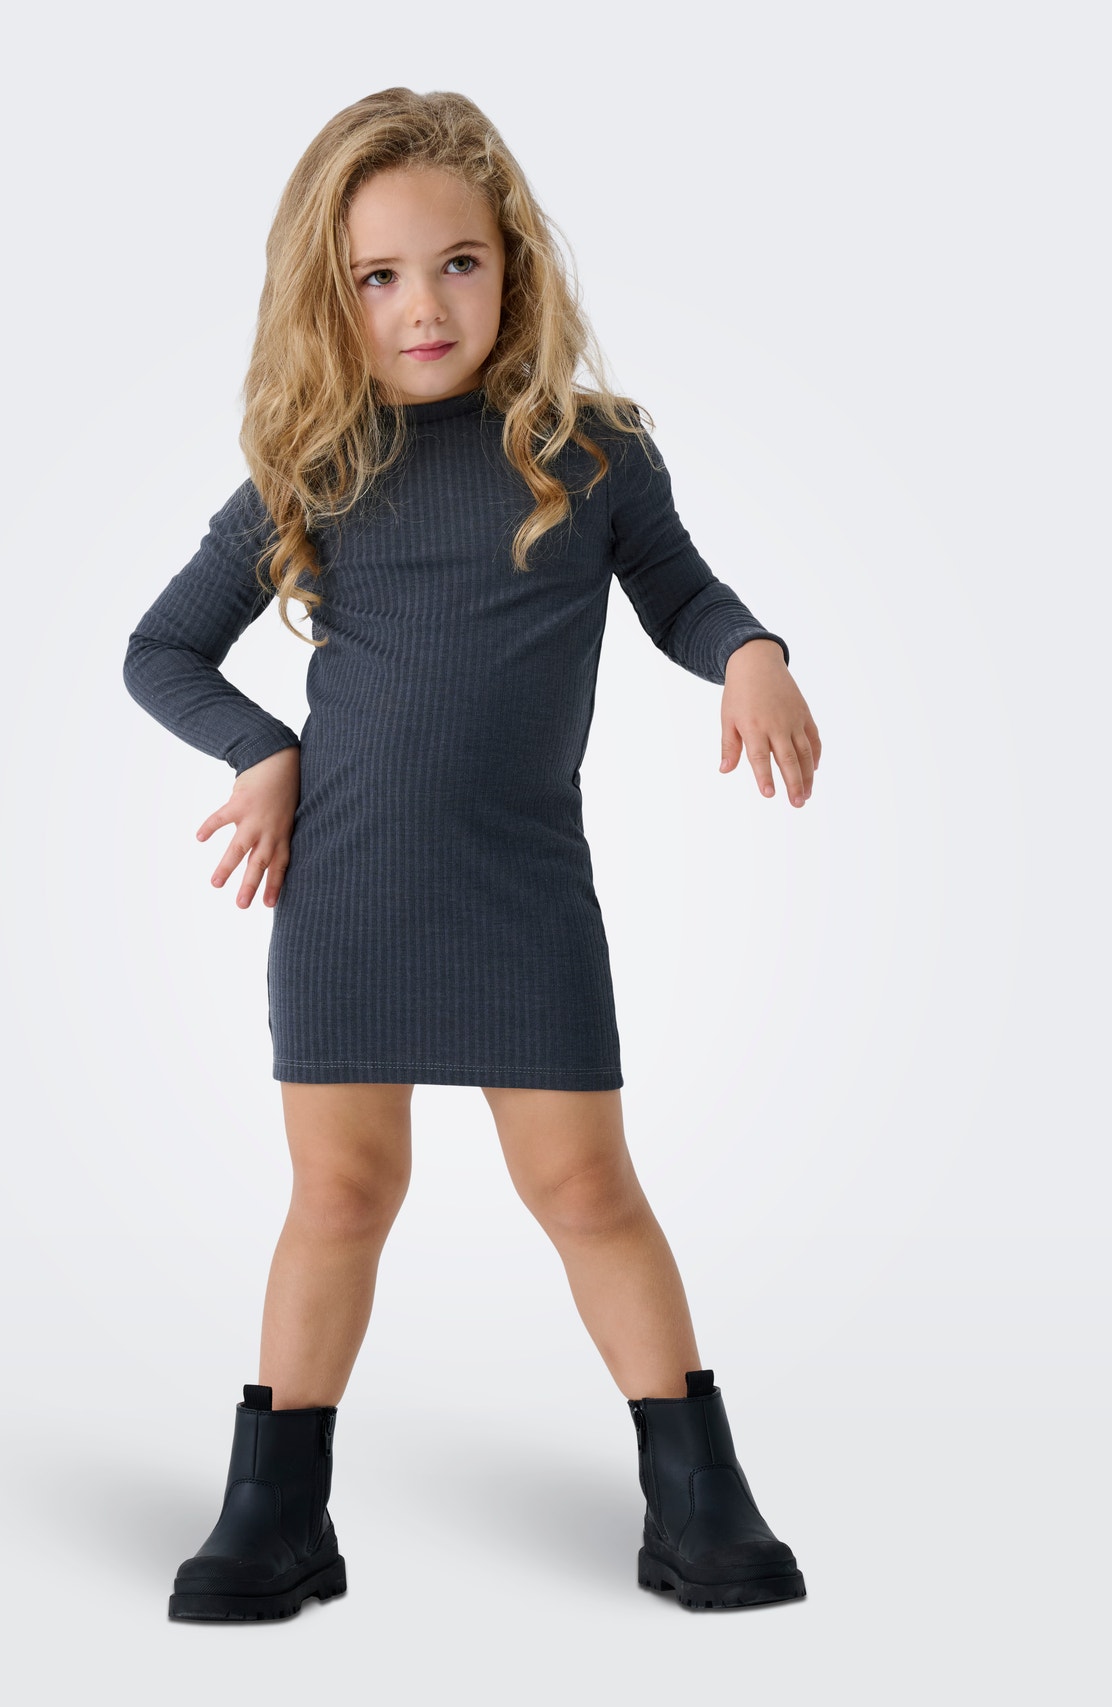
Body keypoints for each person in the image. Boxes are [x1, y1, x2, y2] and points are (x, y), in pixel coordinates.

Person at [123, 87, 820, 1623]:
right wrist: (262, 751)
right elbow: (160, 648)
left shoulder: (591, 453)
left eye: (456, 264)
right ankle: (274, 1509)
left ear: (514, 264)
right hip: (349, 893)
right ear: (330, 294)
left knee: (585, 1187)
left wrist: (753, 651)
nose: (422, 306)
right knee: (340, 1195)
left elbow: (685, 596)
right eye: (377, 277)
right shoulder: (317, 462)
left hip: (521, 895)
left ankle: (697, 1491)